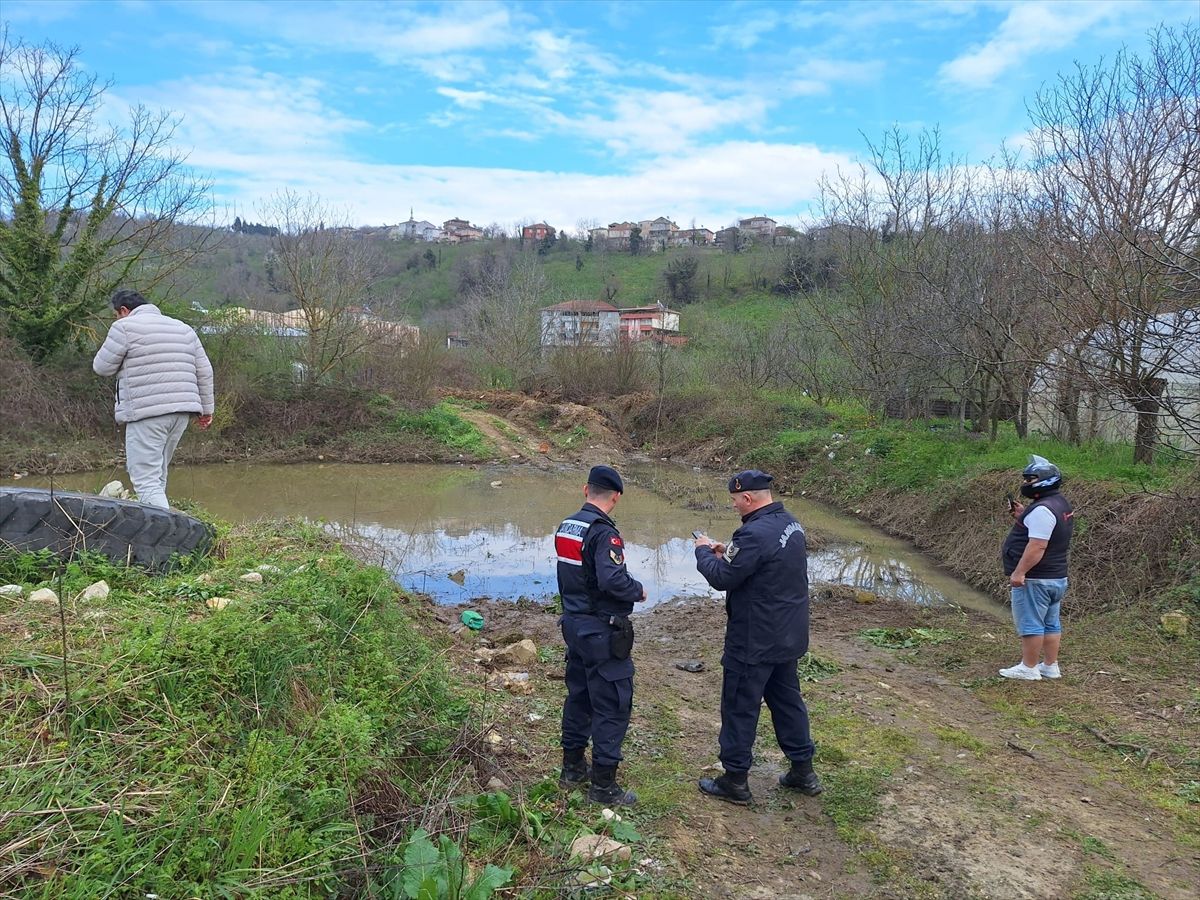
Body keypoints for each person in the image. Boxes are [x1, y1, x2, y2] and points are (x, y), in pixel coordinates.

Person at [692, 469, 821, 805]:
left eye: (735, 501)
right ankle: (803, 771)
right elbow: (760, 563)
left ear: (747, 498)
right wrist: (729, 549)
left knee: (739, 706)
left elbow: (722, 577)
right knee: (787, 702)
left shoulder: (753, 534)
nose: (734, 507)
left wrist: (704, 551)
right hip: (787, 636)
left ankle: (734, 781)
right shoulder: (789, 523)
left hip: (754, 640)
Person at [554, 465, 647, 805]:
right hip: (601, 629)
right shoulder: (604, 533)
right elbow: (611, 580)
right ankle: (604, 786)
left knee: (579, 696)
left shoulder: (569, 525)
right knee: (612, 704)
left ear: (585, 490)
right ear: (616, 497)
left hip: (574, 625)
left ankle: (572, 768)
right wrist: (637, 590)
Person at [93, 289, 214, 509]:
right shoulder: (183, 329)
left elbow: (101, 367)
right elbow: (204, 370)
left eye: (116, 314)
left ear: (123, 310)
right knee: (158, 476)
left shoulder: (124, 327)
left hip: (147, 412)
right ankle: (165, 527)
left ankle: (165, 537)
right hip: (182, 413)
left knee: (146, 481)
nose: (117, 319)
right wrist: (207, 410)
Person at [999, 455, 1074, 681]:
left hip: (1036, 578)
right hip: (1056, 577)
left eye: (1030, 479)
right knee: (1051, 623)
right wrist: (1023, 516)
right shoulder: (1059, 503)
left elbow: (1038, 545)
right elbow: (1049, 531)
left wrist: (1019, 572)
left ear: (1044, 480)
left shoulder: (1042, 510)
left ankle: (1029, 667)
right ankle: (1050, 666)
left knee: (1031, 622)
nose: (1026, 483)